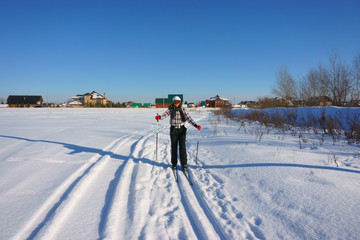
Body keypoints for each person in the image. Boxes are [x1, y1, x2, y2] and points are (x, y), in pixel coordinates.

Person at [155, 96, 201, 170]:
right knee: (174, 146)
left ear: (180, 102)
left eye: (177, 102)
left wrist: (195, 125)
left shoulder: (183, 110)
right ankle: (174, 164)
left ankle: (184, 164)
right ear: (173, 102)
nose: (176, 104)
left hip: (182, 130)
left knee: (182, 147)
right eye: (174, 102)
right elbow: (165, 115)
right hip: (173, 130)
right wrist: (159, 117)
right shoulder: (171, 109)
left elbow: (188, 118)